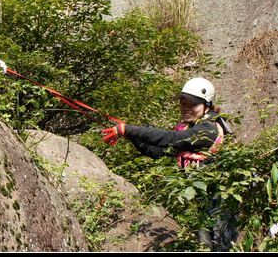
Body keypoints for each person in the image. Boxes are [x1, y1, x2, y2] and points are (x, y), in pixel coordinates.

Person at [100, 77, 237, 251]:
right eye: (183, 103)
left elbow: (169, 139)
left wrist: (130, 129)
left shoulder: (207, 129)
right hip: (202, 200)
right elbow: (159, 152)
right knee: (203, 244)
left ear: (207, 106)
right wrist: (132, 136)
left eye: (192, 105)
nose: (186, 109)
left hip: (220, 200)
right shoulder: (188, 128)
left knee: (218, 245)